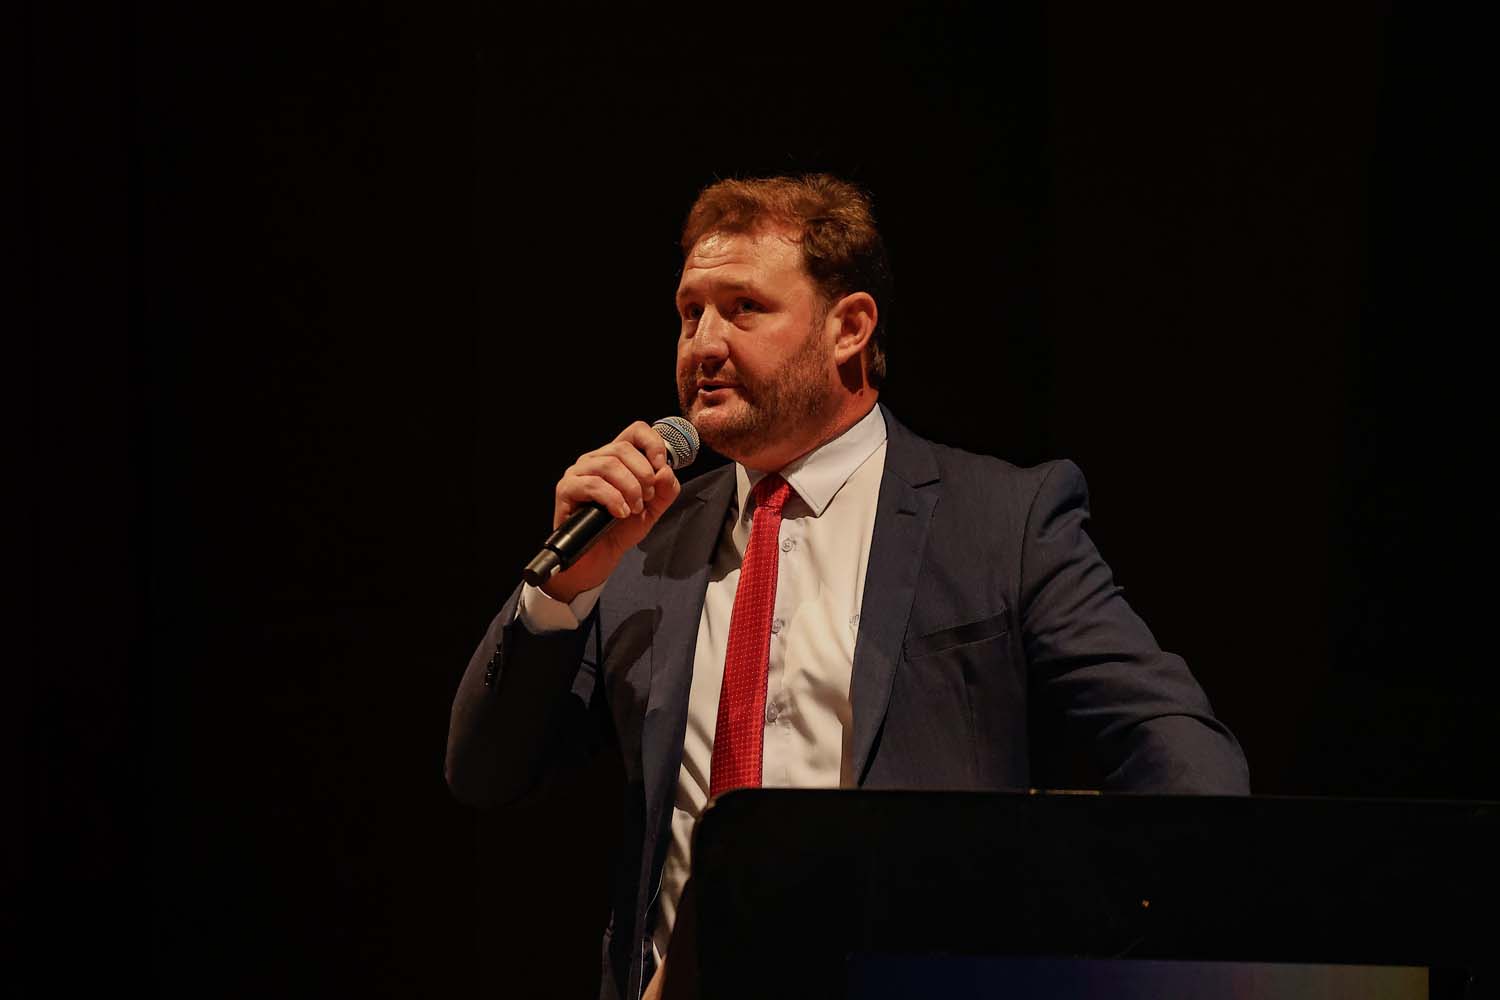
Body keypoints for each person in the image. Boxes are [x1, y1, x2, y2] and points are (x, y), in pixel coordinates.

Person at [446, 174, 1249, 1000]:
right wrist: (560, 591)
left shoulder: (999, 522)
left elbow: (1173, 746)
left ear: (850, 328)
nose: (703, 344)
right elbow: (485, 773)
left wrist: (1117, 957)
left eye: (744, 308)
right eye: (690, 313)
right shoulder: (639, 542)